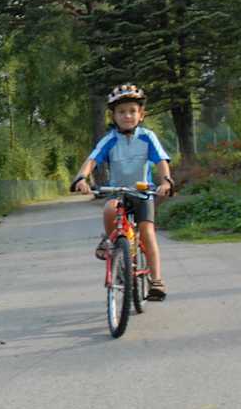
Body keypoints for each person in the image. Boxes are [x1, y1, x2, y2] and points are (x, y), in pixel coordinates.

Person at [71, 83, 174, 300]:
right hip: (118, 192)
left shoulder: (147, 137)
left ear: (141, 114)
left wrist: (166, 181)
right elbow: (92, 160)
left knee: (147, 232)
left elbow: (162, 161)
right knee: (110, 209)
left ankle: (156, 281)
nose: (127, 116)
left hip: (142, 193)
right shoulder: (109, 139)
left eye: (132, 111)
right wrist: (82, 177)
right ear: (113, 115)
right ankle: (112, 244)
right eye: (121, 112)